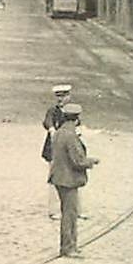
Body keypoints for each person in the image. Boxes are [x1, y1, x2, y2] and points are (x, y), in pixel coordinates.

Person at [49, 103, 97, 258]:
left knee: (67, 212)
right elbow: (78, 161)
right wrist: (92, 161)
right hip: (68, 179)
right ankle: (68, 247)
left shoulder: (58, 133)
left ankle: (70, 246)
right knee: (70, 215)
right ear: (76, 119)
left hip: (58, 177)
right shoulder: (71, 136)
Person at [43, 84, 73, 218]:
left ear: (69, 96)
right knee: (55, 179)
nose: (60, 99)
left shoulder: (72, 111)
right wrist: (51, 130)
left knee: (73, 178)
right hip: (54, 149)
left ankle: (75, 209)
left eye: (64, 96)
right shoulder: (52, 111)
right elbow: (47, 122)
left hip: (69, 148)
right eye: (58, 96)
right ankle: (54, 210)